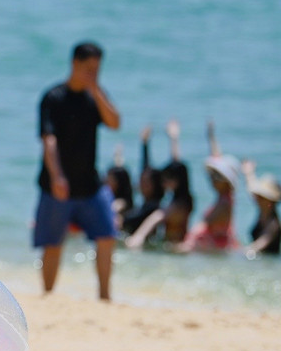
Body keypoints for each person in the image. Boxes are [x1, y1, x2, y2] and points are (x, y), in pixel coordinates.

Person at [33, 41, 121, 300]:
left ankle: (104, 297)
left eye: (97, 69)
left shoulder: (95, 97)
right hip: (56, 185)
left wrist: (96, 91)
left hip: (90, 185)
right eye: (88, 69)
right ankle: (48, 296)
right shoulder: (53, 98)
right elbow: (49, 140)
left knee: (107, 236)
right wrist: (57, 176)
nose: (93, 74)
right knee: (52, 244)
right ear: (74, 64)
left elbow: (114, 123)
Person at [126, 120, 193, 249]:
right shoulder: (183, 198)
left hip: (175, 248)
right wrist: (173, 138)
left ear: (176, 181)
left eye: (167, 179)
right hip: (171, 246)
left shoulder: (179, 204)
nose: (163, 183)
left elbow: (157, 217)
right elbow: (177, 166)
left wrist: (138, 237)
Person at [179, 120, 239, 253]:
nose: (212, 179)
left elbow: (203, 226)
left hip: (219, 253)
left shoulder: (225, 203)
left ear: (227, 182)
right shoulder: (226, 196)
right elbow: (216, 156)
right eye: (212, 175)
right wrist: (211, 136)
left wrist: (187, 244)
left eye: (217, 177)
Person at [242, 161, 281, 257]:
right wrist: (249, 172)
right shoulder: (263, 210)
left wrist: (232, 253)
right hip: (258, 261)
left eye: (261, 197)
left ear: (270, 201)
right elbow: (251, 187)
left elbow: (256, 247)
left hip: (268, 264)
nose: (257, 198)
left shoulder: (274, 225)